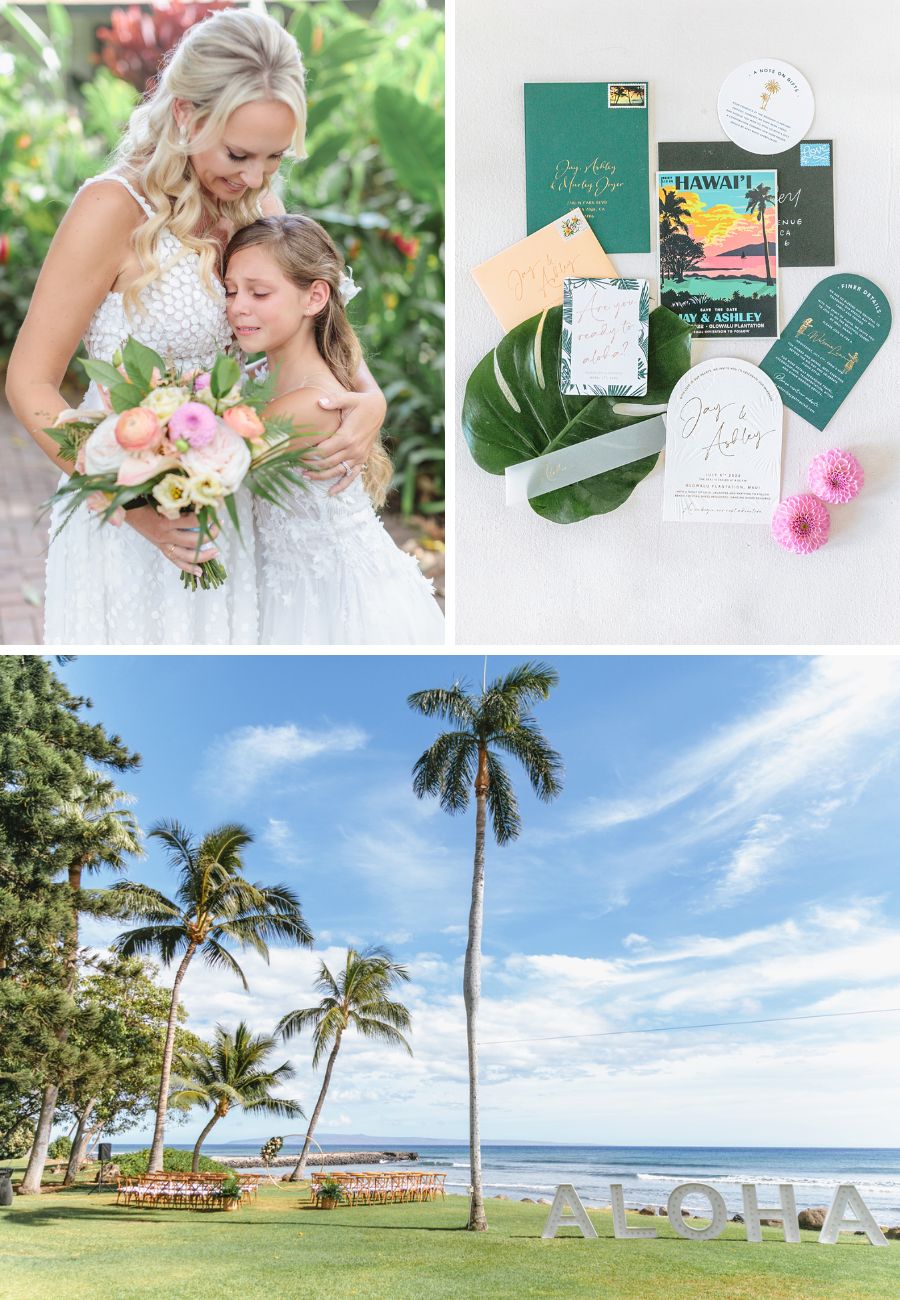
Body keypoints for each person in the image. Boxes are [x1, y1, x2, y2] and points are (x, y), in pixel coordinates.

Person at [5, 9, 385, 645]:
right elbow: (31, 383)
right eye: (238, 153)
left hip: (226, 508)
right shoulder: (110, 208)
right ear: (185, 114)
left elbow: (307, 319)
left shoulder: (256, 203)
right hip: (129, 525)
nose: (256, 177)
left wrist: (366, 397)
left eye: (273, 158)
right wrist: (135, 505)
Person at [224, 214, 445, 645]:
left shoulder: (315, 403)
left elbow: (213, 463)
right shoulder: (252, 379)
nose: (238, 306)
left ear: (315, 297)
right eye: (231, 291)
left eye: (259, 292)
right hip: (283, 582)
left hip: (331, 596)